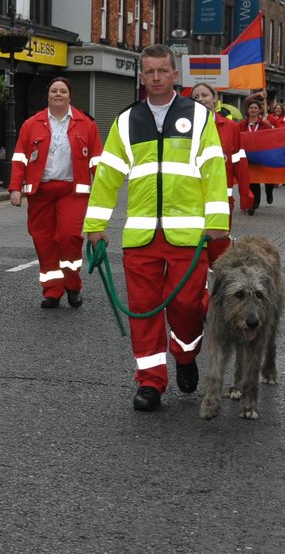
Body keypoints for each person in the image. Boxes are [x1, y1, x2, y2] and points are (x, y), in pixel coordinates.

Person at [84, 45, 229, 413]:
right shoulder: (126, 121)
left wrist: (216, 223)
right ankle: (150, 382)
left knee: (184, 306)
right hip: (142, 236)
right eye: (149, 72)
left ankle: (184, 354)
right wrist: (95, 225)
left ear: (174, 75)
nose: (156, 78)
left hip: (188, 235)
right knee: (145, 311)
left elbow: (213, 169)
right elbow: (107, 177)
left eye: (162, 71)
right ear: (142, 76)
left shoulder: (199, 117)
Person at [9, 77, 101, 309]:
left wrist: (103, 189)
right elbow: (20, 157)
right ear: (48, 96)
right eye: (53, 91)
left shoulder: (86, 124)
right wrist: (15, 188)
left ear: (70, 96)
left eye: (62, 91)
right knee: (44, 241)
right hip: (41, 193)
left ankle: (73, 285)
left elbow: (97, 159)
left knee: (69, 237)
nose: (58, 94)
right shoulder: (31, 124)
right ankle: (52, 290)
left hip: (72, 191)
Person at [189, 81, 252, 259]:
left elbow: (239, 162)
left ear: (215, 99)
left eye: (205, 95)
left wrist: (245, 196)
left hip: (221, 200)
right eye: (196, 97)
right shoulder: (184, 127)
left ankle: (215, 281)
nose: (200, 100)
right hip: (191, 197)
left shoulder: (231, 128)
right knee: (193, 245)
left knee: (218, 246)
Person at [240, 94, 273, 209]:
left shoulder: (265, 125)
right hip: (247, 157)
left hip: (261, 156)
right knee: (253, 180)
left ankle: (269, 192)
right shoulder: (242, 125)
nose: (253, 110)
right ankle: (254, 203)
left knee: (266, 178)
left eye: (255, 108)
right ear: (247, 110)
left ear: (259, 110)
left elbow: (271, 139)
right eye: (251, 108)